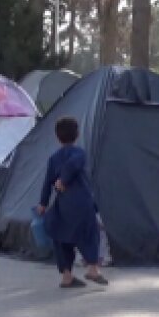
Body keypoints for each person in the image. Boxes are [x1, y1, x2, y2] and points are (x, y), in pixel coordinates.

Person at [37, 117, 108, 288]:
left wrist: (43, 203)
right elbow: (73, 164)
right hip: (82, 203)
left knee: (62, 237)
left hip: (63, 205)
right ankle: (92, 268)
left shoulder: (54, 158)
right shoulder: (79, 153)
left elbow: (47, 182)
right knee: (90, 234)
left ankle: (67, 276)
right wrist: (64, 179)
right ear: (77, 135)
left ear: (57, 137)